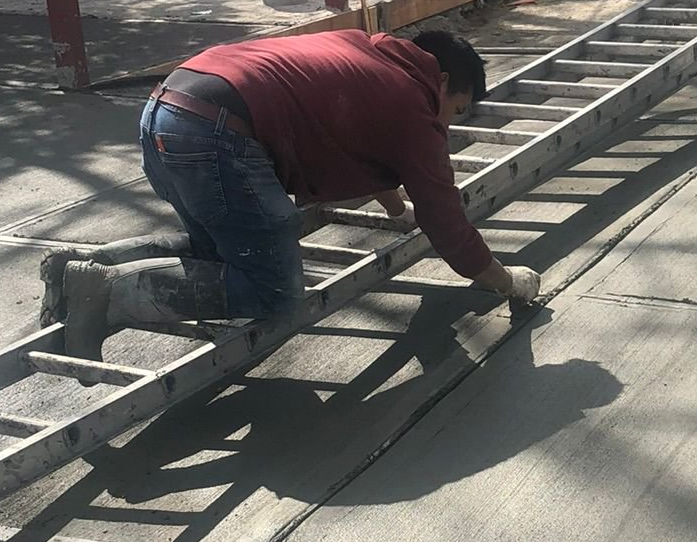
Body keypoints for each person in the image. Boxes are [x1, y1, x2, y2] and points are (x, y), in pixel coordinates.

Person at [57, 26, 541, 361]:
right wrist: (505, 281)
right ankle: (109, 294)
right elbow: (448, 225)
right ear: (442, 81)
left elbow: (366, 145)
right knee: (275, 289)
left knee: (218, 251)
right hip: (219, 131)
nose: (448, 124)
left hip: (166, 108)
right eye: (456, 109)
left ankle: (80, 267)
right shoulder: (413, 103)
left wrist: (398, 209)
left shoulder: (369, 54)